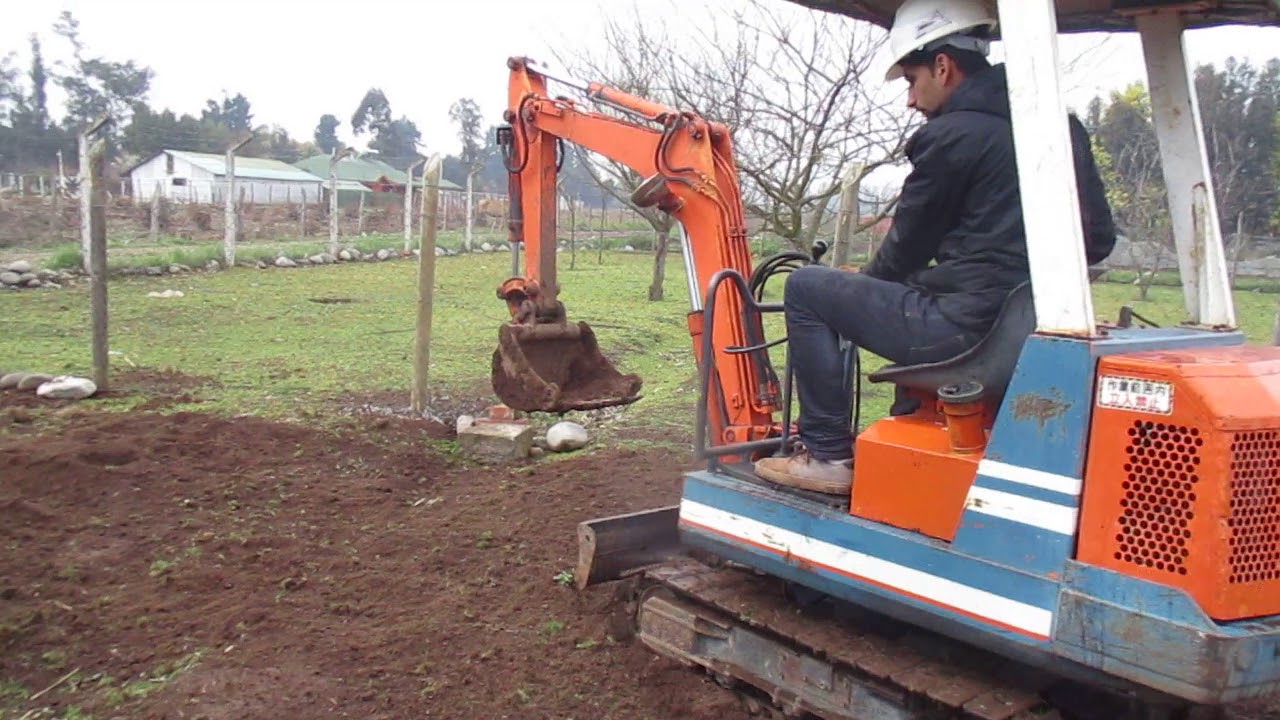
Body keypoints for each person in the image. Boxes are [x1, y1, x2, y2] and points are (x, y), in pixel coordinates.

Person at [753, 0, 1116, 495]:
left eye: (910, 80)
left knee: (808, 287)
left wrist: (860, 292)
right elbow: (1098, 242)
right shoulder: (1061, 128)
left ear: (943, 67)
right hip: (1032, 327)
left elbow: (905, 249)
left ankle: (827, 454)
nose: (910, 100)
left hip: (966, 330)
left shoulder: (953, 135)